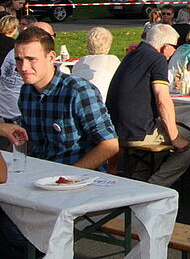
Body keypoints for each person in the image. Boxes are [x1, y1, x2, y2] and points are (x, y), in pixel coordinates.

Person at [0, 27, 119, 257]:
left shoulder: (78, 91)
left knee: (13, 228)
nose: (23, 67)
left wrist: (69, 176)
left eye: (31, 59)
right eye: (19, 59)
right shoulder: (27, 92)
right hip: (40, 180)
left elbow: (110, 145)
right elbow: (31, 142)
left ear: (51, 57)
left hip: (79, 185)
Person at [106, 24, 190, 186]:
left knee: (165, 129)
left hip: (115, 127)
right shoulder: (157, 59)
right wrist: (175, 138)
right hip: (136, 131)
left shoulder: (132, 55)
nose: (174, 51)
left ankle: (140, 177)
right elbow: (162, 99)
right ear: (165, 47)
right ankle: (156, 185)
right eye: (174, 47)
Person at [71, 25, 122, 102]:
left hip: (78, 100)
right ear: (109, 44)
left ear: (88, 44)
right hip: (102, 101)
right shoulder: (113, 60)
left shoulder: (80, 62)